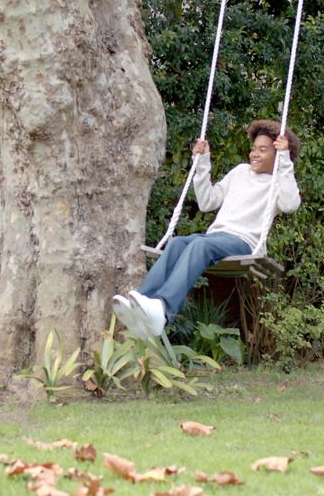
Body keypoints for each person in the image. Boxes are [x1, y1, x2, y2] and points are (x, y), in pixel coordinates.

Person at [112, 119, 302, 340]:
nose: (254, 154)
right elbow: (207, 201)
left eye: (263, 150)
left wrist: (286, 162)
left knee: (200, 244)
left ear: (277, 154)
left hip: (244, 243)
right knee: (177, 243)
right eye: (253, 149)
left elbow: (290, 205)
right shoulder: (240, 172)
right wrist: (202, 163)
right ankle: (142, 304)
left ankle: (163, 308)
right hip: (217, 238)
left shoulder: (279, 183)